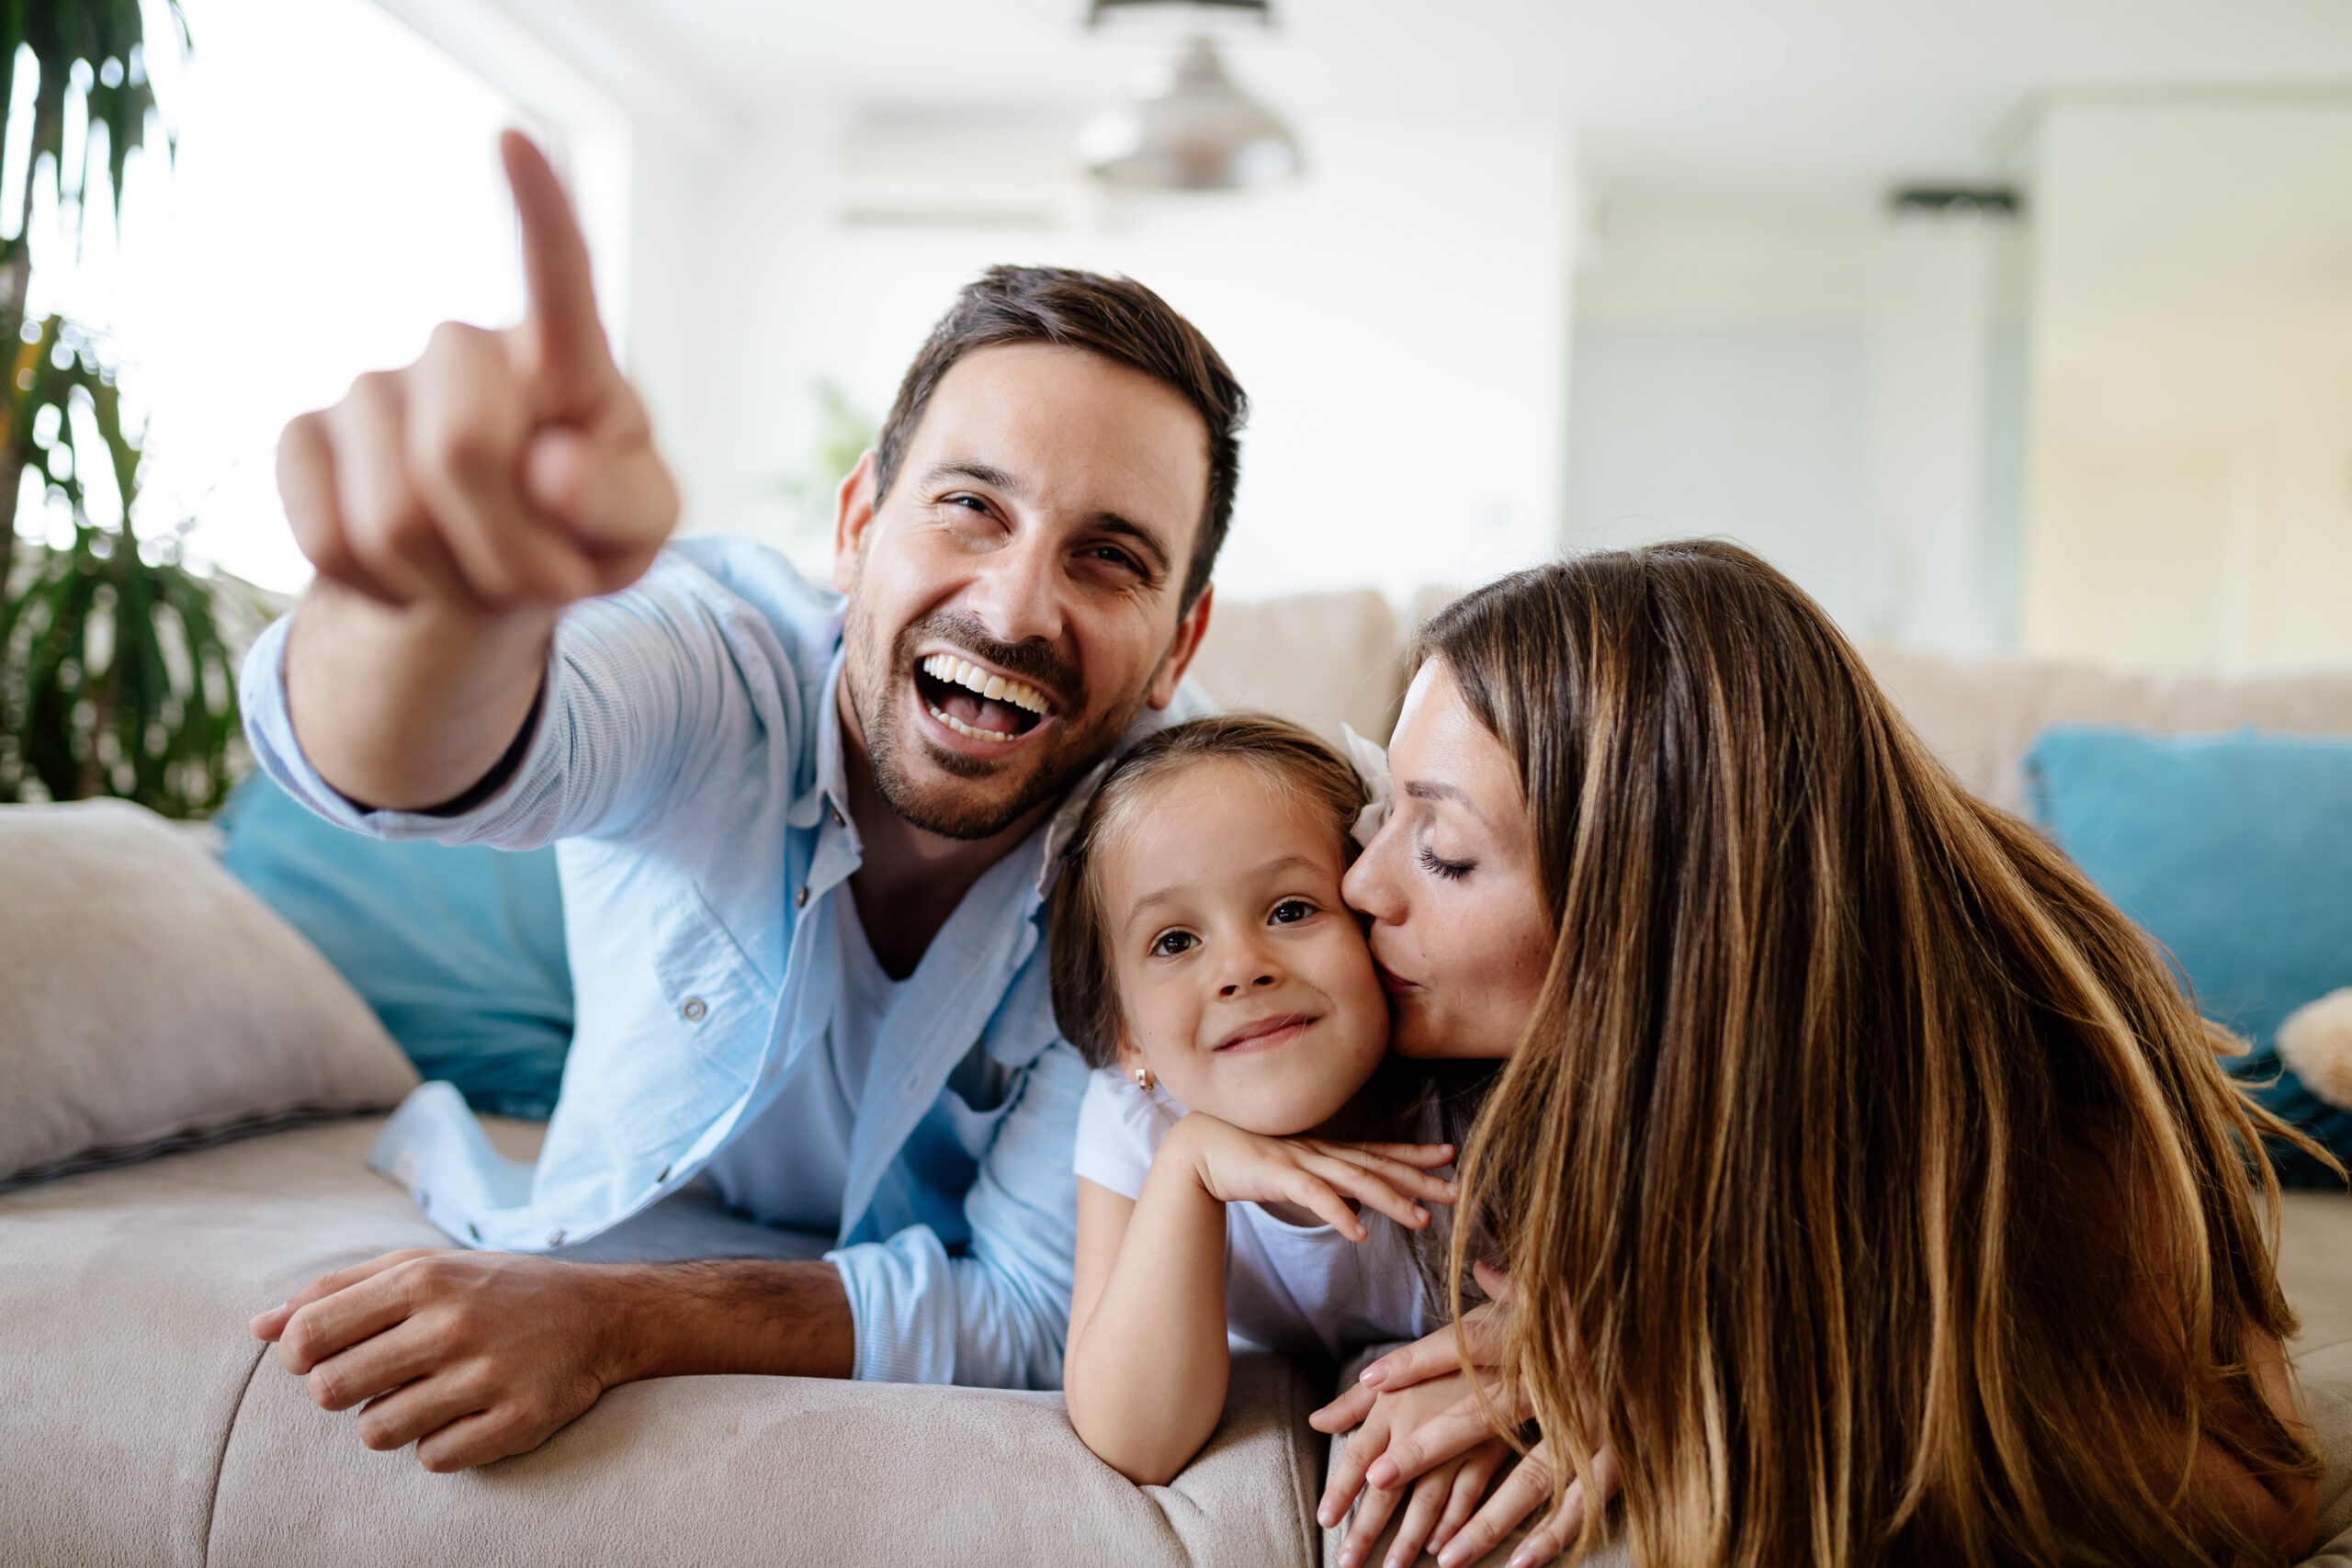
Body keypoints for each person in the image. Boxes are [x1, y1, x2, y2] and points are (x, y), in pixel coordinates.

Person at [240, 130, 1245, 1472]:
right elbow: (421, 763)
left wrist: (614, 1319)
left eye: (1109, 559)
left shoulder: (1185, 865)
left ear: (1182, 645)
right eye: (968, 508)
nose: (1014, 607)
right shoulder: (717, 662)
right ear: (855, 524)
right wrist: (431, 609)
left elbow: (1026, 1304)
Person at [1315, 541, 2328, 1568]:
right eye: (1384, 806)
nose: (1363, 884)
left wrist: (1695, 1363)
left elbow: (2265, 1491)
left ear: (1656, 912)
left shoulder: (2037, 1037)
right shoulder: (1389, 987)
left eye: (1444, 851)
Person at [1046, 714, 1461, 1483]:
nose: (1241, 968)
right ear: (1127, 1033)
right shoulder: (1137, 1122)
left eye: (1291, 909)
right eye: (1175, 941)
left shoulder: (1466, 1089)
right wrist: (1188, 1164)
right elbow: (1137, 1439)